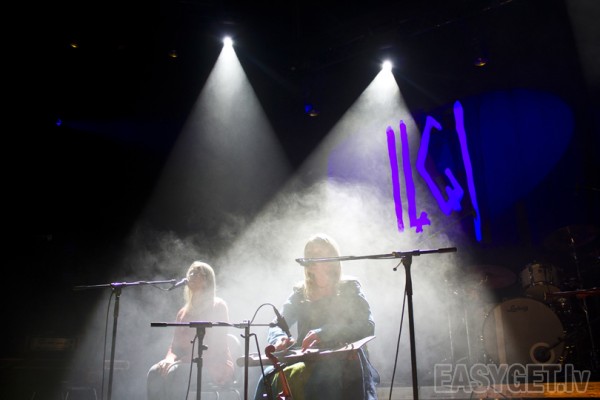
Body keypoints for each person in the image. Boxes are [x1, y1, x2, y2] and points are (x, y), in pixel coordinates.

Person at [254, 233, 380, 400]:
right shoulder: (300, 292)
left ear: (332, 258)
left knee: (322, 378)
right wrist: (279, 339)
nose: (312, 257)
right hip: (307, 359)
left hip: (343, 361)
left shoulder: (349, 287)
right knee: (266, 379)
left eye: (318, 252)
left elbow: (367, 326)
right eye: (309, 253)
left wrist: (323, 333)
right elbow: (277, 324)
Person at [147, 261, 235, 400]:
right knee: (154, 372)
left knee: (176, 373)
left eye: (197, 273)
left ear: (207, 281)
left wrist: (182, 362)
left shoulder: (218, 306)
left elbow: (217, 346)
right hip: (184, 364)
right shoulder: (183, 312)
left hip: (213, 365)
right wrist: (169, 359)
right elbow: (174, 346)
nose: (191, 275)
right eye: (191, 272)